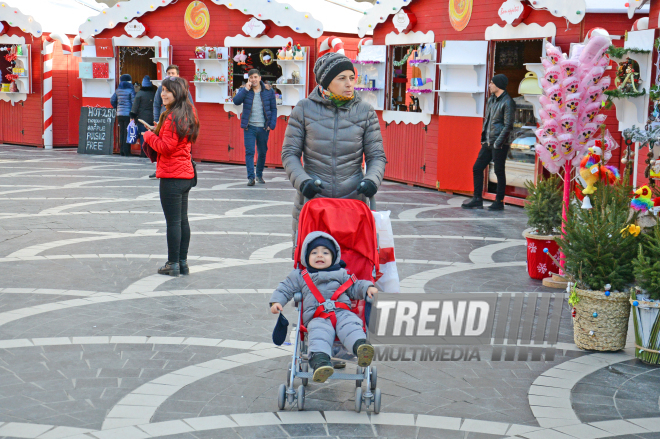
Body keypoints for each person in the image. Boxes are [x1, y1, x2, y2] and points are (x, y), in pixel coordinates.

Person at [282, 52, 386, 238]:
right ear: (326, 82)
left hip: (353, 202)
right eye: (342, 78)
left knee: (354, 261)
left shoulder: (366, 112)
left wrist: (372, 180)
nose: (349, 83)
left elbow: (376, 155)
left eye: (352, 78)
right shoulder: (303, 109)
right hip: (313, 199)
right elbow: (290, 153)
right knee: (314, 260)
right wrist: (303, 181)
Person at [269, 232, 377, 383]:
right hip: (317, 317)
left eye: (325, 252)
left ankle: (361, 347)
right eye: (314, 252)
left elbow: (355, 286)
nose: (320, 256)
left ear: (334, 257)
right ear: (306, 256)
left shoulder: (342, 274)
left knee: (351, 325)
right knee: (319, 334)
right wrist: (277, 302)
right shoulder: (300, 275)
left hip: (342, 312)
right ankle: (320, 362)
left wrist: (367, 288)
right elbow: (285, 288)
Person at [142, 77, 199, 277]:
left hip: (172, 176)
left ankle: (172, 263)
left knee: (173, 223)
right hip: (185, 174)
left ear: (178, 93)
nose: (163, 94)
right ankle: (182, 263)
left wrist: (149, 135)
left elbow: (166, 148)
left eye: (167, 91)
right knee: (182, 221)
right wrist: (159, 130)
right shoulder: (188, 112)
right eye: (162, 90)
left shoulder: (173, 116)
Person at [462, 74, 515, 211]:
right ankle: (477, 199)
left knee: (499, 171)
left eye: (492, 83)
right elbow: (488, 120)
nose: (489, 85)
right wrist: (484, 138)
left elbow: (508, 125)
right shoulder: (491, 100)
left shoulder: (508, 102)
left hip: (499, 143)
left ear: (498, 85)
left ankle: (499, 201)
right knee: (477, 168)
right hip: (488, 142)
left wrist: (498, 143)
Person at [232, 69, 278, 186]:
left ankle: (259, 175)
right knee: (250, 152)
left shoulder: (268, 91)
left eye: (255, 77)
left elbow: (274, 109)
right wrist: (246, 89)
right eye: (251, 77)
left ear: (260, 78)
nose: (253, 79)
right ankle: (251, 178)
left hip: (263, 127)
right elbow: (236, 101)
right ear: (249, 79)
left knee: (262, 152)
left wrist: (271, 125)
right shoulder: (245, 90)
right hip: (250, 127)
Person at [151, 65, 194, 179]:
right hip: (163, 119)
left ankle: (170, 170)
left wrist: (148, 136)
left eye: (172, 73)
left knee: (171, 146)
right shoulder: (161, 88)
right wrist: (157, 119)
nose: (170, 75)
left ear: (177, 75)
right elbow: (156, 104)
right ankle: (159, 168)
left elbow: (167, 148)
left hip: (176, 176)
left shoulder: (182, 93)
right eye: (168, 73)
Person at [130, 75, 157, 158]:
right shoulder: (154, 93)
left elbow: (135, 107)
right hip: (152, 118)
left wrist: (132, 116)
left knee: (142, 135)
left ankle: (143, 151)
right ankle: (150, 152)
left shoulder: (139, 94)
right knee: (151, 135)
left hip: (141, 119)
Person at [111, 74, 136, 156]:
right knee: (127, 132)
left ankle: (121, 150)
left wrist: (116, 107)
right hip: (128, 114)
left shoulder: (118, 90)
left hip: (119, 114)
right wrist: (134, 113)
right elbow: (133, 102)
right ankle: (127, 151)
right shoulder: (131, 90)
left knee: (121, 132)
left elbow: (112, 100)